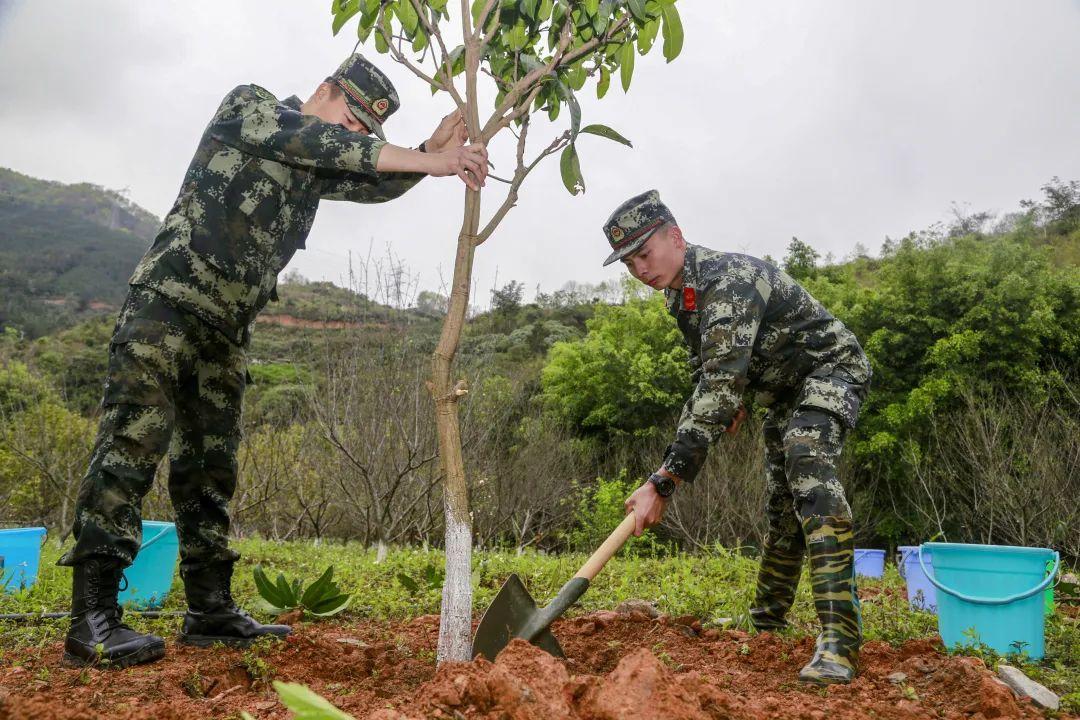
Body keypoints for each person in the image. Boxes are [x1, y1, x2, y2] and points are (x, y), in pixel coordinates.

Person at [57, 54, 489, 669]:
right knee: (130, 449)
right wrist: (435, 159)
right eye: (352, 119)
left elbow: (371, 179)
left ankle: (210, 611)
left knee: (211, 469)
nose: (354, 137)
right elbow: (327, 144)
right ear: (324, 90)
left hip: (225, 332)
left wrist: (427, 151)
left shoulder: (318, 161)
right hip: (167, 309)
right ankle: (92, 617)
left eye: (366, 132)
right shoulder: (252, 109)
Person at [608, 190, 871, 685]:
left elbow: (720, 384)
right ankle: (768, 620)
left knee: (806, 464)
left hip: (831, 370)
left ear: (676, 238)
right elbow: (709, 367)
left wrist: (664, 479)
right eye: (628, 262)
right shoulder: (680, 296)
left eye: (644, 253)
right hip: (783, 392)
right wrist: (734, 398)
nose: (639, 269)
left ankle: (840, 639)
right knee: (781, 502)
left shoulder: (729, 282)